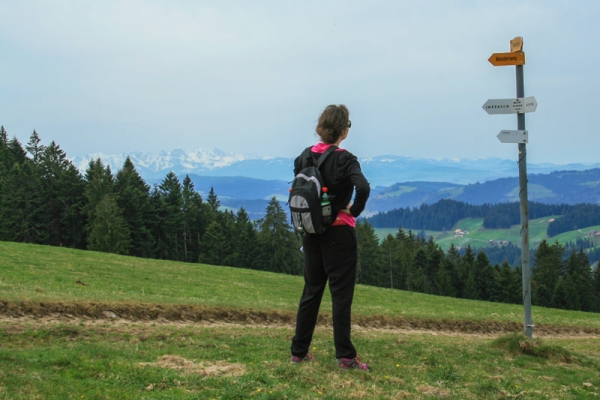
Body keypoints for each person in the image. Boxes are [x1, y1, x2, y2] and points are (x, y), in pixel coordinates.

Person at [290, 104, 371, 370]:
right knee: (341, 296)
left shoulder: (304, 156)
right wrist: (353, 210)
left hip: (311, 232)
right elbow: (363, 187)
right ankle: (345, 357)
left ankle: (299, 352)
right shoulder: (346, 159)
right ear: (344, 131)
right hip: (339, 234)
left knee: (311, 291)